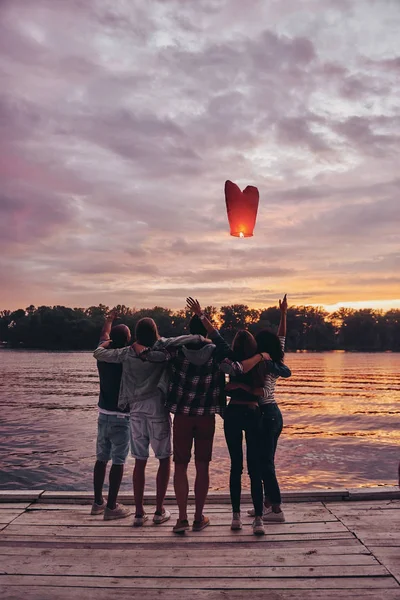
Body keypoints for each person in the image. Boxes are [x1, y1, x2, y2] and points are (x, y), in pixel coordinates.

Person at [93, 318, 202, 527]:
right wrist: (200, 336)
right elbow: (181, 340)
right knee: (163, 458)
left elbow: (99, 353)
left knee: (139, 460)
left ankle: (139, 513)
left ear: (136, 334)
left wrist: (105, 342)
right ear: (155, 332)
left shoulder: (127, 352)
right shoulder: (161, 350)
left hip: (135, 409)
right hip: (157, 407)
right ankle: (159, 511)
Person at [141, 299, 234, 534]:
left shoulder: (177, 352)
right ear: (205, 332)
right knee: (203, 466)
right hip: (206, 418)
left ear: (189, 332)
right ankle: (198, 517)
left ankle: (182, 519)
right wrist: (204, 319)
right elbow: (226, 346)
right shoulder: (216, 353)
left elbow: (156, 348)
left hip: (182, 416)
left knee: (180, 466)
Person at [219, 330, 291, 535]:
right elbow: (281, 343)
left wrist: (233, 388)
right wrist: (284, 315)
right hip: (255, 413)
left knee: (244, 466)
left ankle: (245, 515)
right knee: (255, 467)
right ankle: (261, 514)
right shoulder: (261, 362)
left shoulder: (244, 362)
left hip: (249, 412)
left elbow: (262, 389)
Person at [91, 312, 132, 520]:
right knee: (118, 461)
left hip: (103, 414)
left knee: (101, 459)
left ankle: (98, 502)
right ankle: (112, 506)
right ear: (127, 340)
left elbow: (104, 335)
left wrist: (108, 320)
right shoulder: (128, 357)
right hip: (122, 417)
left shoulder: (102, 354)